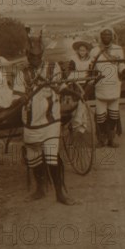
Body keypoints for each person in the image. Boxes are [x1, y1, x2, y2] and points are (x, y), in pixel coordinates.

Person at [13, 30, 75, 205]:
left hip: (51, 121)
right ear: (26, 55)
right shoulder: (21, 73)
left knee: (52, 157)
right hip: (31, 122)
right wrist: (21, 97)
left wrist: (67, 91)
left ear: (42, 54)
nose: (35, 59)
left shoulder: (52, 68)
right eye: (32, 56)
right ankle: (40, 188)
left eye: (38, 56)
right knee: (34, 158)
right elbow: (17, 94)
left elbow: (59, 87)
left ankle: (60, 193)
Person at [89, 27, 125, 148]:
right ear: (101, 37)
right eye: (104, 35)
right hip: (100, 86)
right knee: (100, 116)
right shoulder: (95, 51)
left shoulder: (118, 49)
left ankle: (111, 139)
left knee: (113, 115)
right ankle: (101, 139)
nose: (106, 37)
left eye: (108, 35)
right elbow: (91, 67)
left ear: (112, 36)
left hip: (114, 86)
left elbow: (121, 64)